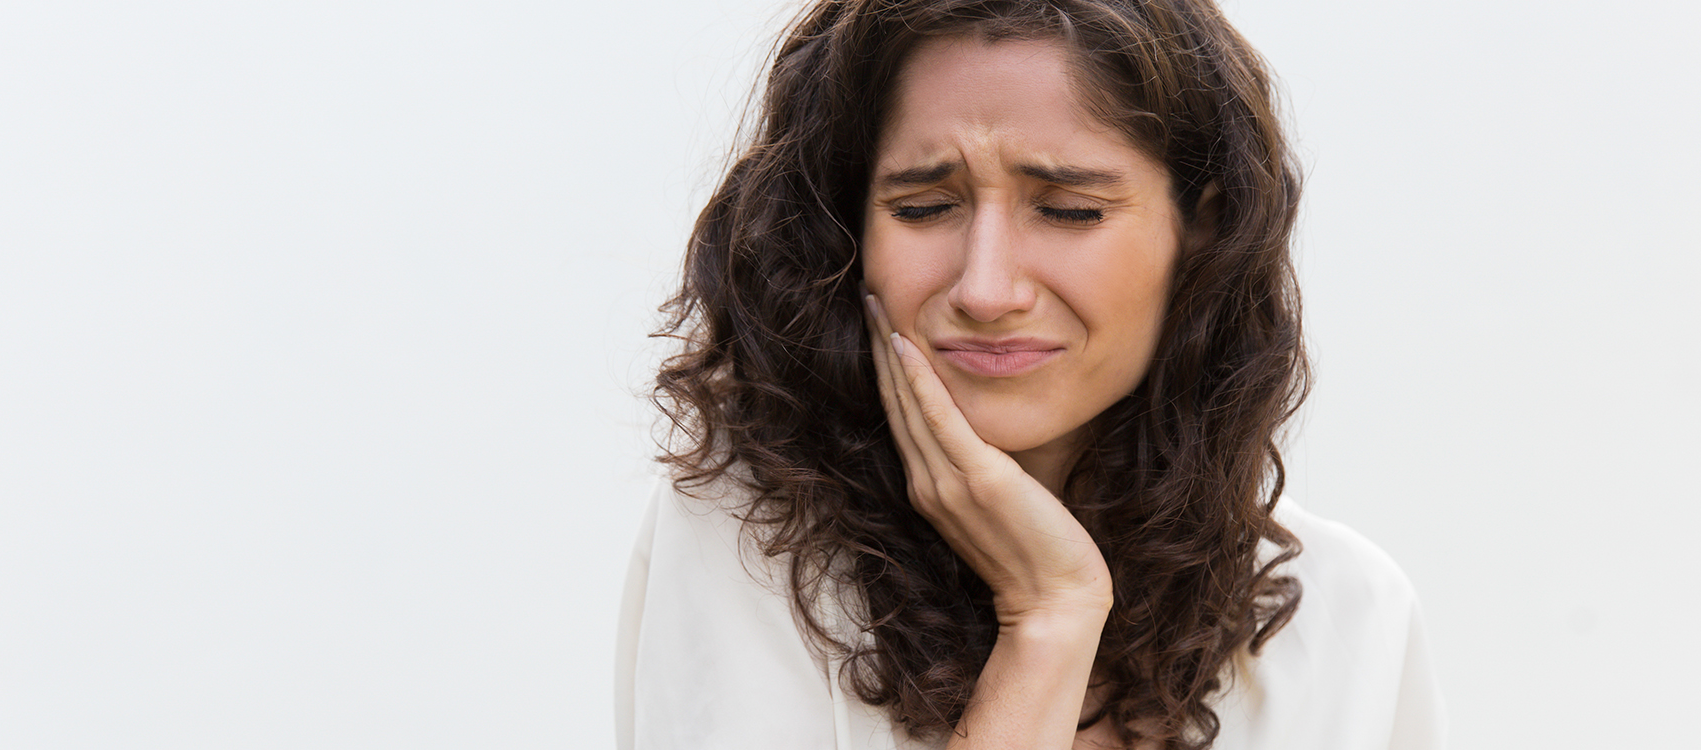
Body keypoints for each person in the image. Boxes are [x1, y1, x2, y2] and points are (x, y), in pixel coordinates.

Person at [617, 0, 1445, 747]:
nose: (985, 289)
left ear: (1205, 230)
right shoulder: (744, 540)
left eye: (1069, 210)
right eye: (923, 208)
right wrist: (1050, 619)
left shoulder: (1350, 618)